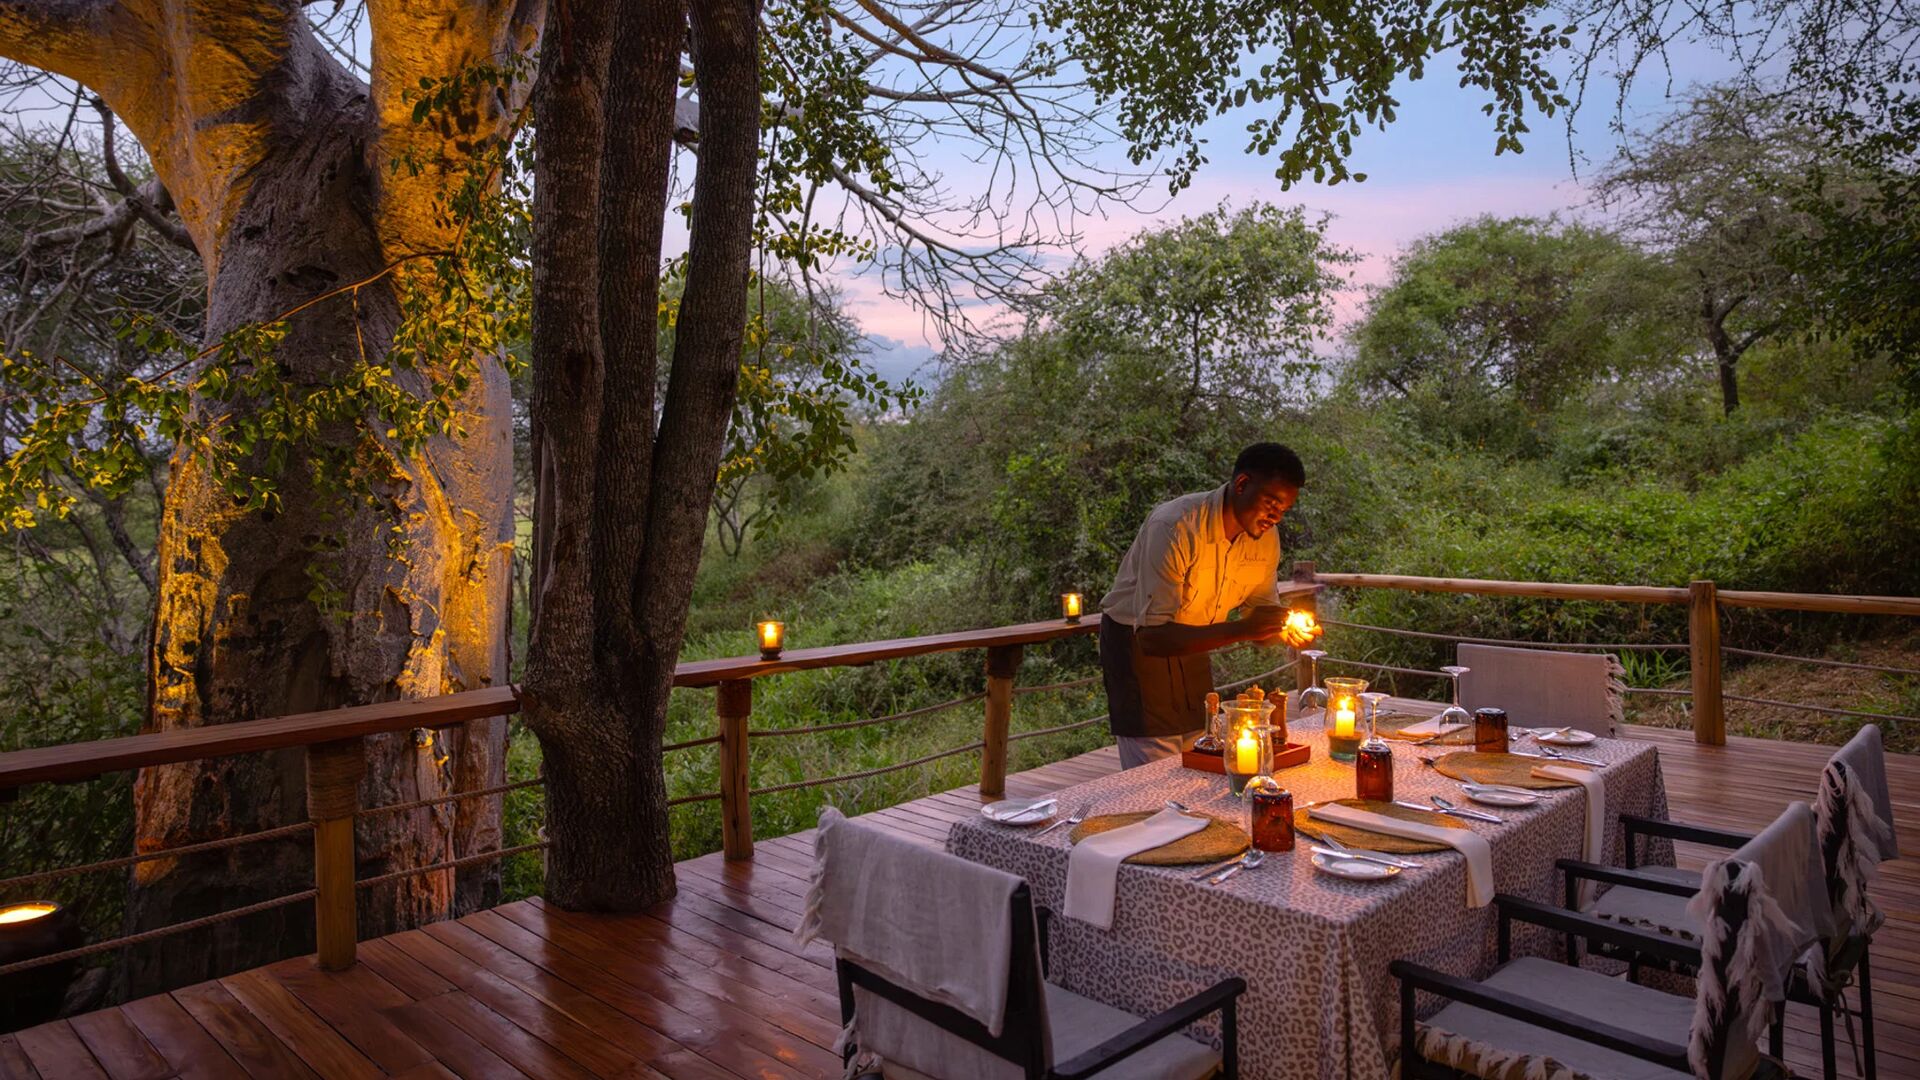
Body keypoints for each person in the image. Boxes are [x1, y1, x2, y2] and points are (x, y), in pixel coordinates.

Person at [1097, 443, 1319, 768]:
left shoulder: (1265, 538)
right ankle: (1152, 816)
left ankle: (1194, 818)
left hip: (1194, 641)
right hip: (1139, 644)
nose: (1275, 517)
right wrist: (1246, 629)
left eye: (1283, 510)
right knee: (1153, 766)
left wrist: (1283, 628)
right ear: (1242, 484)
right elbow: (1153, 637)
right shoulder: (1176, 526)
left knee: (1202, 752)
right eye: (1271, 504)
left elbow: (1258, 623)